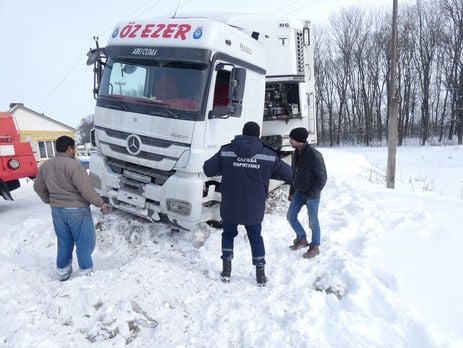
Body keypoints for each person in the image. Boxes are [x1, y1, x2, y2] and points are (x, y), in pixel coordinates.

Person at [203, 122, 293, 286]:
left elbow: (208, 169)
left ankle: (226, 271)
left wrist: (228, 167)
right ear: (258, 135)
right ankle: (260, 274)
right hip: (254, 206)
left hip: (230, 204)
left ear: (242, 133)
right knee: (255, 237)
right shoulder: (268, 155)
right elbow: (289, 174)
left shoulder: (226, 150)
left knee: (228, 235)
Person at [33, 136, 107, 281]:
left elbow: (37, 187)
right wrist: (100, 203)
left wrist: (49, 200)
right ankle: (86, 273)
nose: (74, 150)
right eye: (73, 147)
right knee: (85, 242)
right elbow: (86, 190)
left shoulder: (46, 166)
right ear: (69, 148)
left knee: (64, 241)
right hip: (77, 210)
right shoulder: (74, 166)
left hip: (57, 211)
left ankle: (63, 272)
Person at [287, 127, 327, 258]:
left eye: (292, 138)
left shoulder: (315, 155)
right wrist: (292, 191)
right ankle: (302, 239)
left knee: (313, 222)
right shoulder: (295, 154)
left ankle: (315, 246)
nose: (290, 140)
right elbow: (294, 175)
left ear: (300, 140)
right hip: (299, 192)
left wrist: (312, 194)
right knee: (291, 216)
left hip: (312, 195)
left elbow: (322, 178)